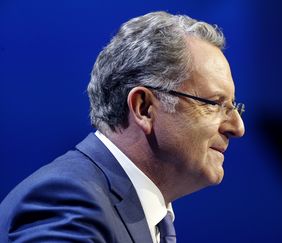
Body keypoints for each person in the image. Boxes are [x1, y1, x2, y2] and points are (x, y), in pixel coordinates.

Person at [0, 11, 245, 242]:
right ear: (144, 108)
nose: (237, 127)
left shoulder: (131, 210)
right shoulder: (70, 200)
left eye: (235, 107)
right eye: (214, 103)